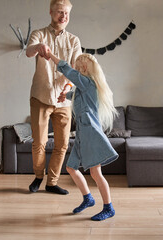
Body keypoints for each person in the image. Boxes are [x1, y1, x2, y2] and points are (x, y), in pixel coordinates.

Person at [48, 51, 119, 221]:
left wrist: (50, 54)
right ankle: (88, 198)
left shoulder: (88, 83)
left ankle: (109, 208)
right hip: (82, 133)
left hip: (91, 134)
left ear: (85, 67)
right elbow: (74, 94)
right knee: (71, 168)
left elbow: (68, 71)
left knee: (96, 173)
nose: (76, 68)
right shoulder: (83, 87)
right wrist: (66, 95)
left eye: (79, 65)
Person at [26, 0, 82, 195]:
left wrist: (66, 89)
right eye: (60, 12)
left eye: (66, 13)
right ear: (51, 12)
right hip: (40, 95)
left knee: (62, 144)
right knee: (39, 142)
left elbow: (75, 70)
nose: (63, 17)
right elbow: (28, 52)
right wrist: (38, 47)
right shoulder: (39, 34)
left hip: (64, 99)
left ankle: (52, 182)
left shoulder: (74, 41)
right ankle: (38, 177)